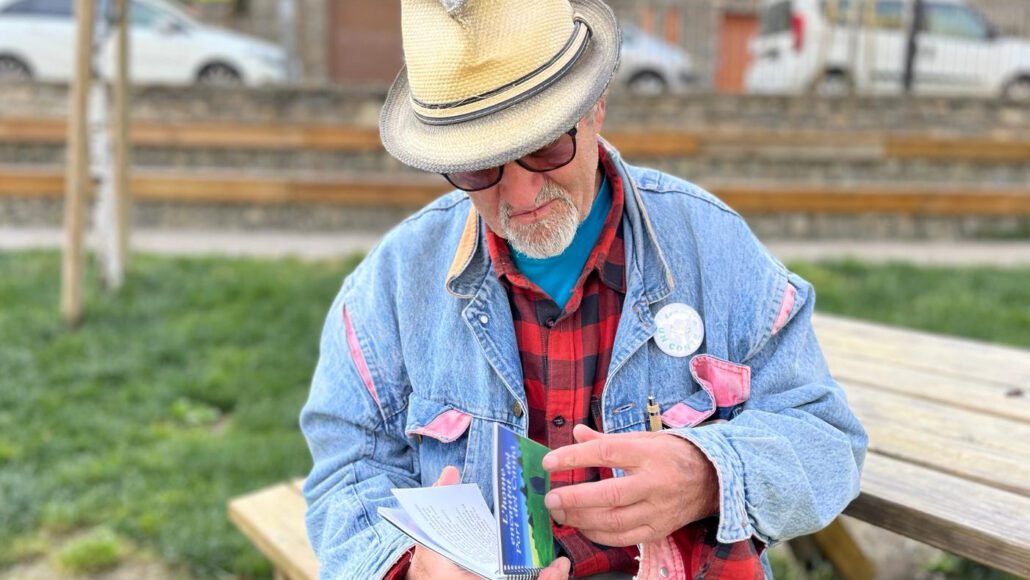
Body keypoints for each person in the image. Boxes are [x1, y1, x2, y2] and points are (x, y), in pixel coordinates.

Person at [299, 0, 868, 577]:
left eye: (546, 148)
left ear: (595, 105)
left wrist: (707, 476)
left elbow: (828, 441)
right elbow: (346, 472)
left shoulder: (713, 246)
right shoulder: (393, 281)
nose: (521, 197)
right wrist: (409, 567)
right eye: (478, 169)